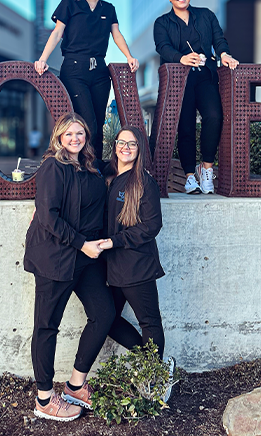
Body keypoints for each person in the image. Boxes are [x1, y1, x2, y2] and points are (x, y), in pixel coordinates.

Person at [24, 112, 115, 421]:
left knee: (103, 314)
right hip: (55, 257)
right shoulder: (53, 167)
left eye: (80, 134)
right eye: (69, 134)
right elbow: (48, 217)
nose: (75, 138)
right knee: (47, 326)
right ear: (59, 138)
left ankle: (76, 384)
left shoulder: (90, 166)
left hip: (85, 258)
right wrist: (83, 244)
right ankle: (45, 400)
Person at [34, 0, 139, 159]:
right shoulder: (69, 4)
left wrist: (129, 56)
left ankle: (96, 174)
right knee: (86, 123)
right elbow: (56, 33)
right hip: (74, 70)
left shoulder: (108, 9)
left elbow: (116, 35)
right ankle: (81, 170)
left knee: (98, 126)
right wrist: (43, 58)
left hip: (100, 73)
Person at [99, 126, 175, 401]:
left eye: (132, 144)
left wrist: (114, 241)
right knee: (105, 319)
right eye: (122, 142)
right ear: (115, 145)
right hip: (110, 265)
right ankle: (152, 362)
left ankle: (155, 379)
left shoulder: (144, 182)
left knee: (150, 322)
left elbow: (153, 225)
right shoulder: (106, 176)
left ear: (139, 149)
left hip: (136, 265)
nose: (126, 148)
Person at [153, 0, 239, 194]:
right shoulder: (162, 23)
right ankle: (190, 175)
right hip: (179, 79)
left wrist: (224, 54)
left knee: (214, 116)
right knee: (186, 125)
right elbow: (162, 47)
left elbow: (219, 40)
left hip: (205, 76)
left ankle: (207, 168)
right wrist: (181, 58)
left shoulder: (206, 15)